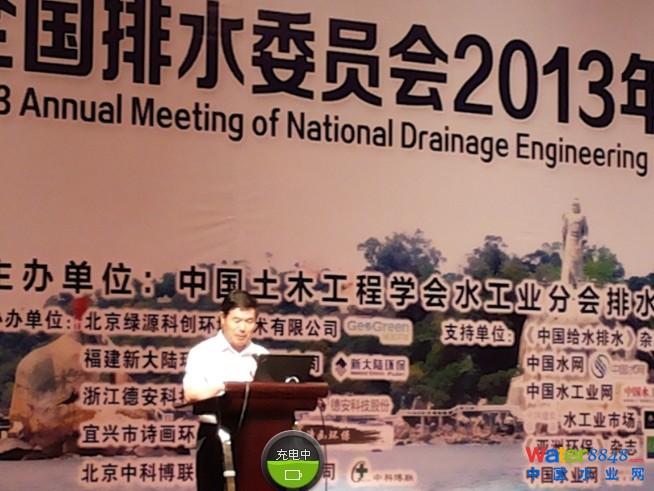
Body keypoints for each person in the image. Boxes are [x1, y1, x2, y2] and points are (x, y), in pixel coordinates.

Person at [183, 289, 268, 491]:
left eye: (249, 321)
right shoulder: (203, 352)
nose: (242, 328)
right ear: (222, 319)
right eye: (237, 320)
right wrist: (227, 388)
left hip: (254, 436)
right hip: (214, 435)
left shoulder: (262, 355)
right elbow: (191, 393)